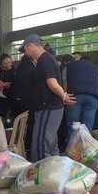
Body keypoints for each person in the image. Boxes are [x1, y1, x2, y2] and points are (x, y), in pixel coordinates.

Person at [22, 34, 75, 162]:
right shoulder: (47, 59)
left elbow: (52, 82)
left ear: (31, 46)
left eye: (25, 49)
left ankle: (42, 174)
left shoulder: (44, 60)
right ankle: (56, 170)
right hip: (51, 107)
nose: (25, 52)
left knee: (42, 144)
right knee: (51, 142)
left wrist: (63, 95)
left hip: (48, 107)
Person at [65, 54, 98, 134]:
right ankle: (85, 145)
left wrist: (65, 95)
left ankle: (72, 145)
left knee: (73, 126)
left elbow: (65, 81)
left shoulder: (70, 66)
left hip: (75, 96)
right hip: (92, 97)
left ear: (80, 59)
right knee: (87, 127)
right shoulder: (96, 68)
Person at [0, 54, 15, 123]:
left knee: (11, 117)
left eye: (9, 62)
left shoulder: (14, 70)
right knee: (2, 116)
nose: (8, 65)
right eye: (5, 63)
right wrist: (1, 85)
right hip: (1, 99)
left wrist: (10, 84)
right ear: (1, 64)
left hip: (12, 97)